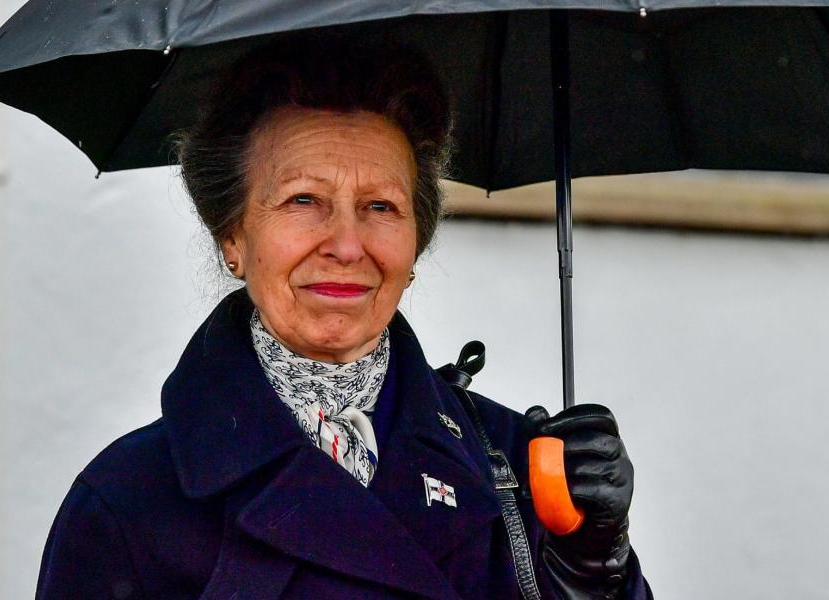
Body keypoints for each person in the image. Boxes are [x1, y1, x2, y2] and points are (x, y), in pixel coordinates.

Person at [35, 38, 652, 600]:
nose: (348, 245)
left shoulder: (520, 474)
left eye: (380, 206)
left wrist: (598, 569)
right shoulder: (128, 503)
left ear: (416, 243)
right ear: (232, 235)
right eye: (304, 200)